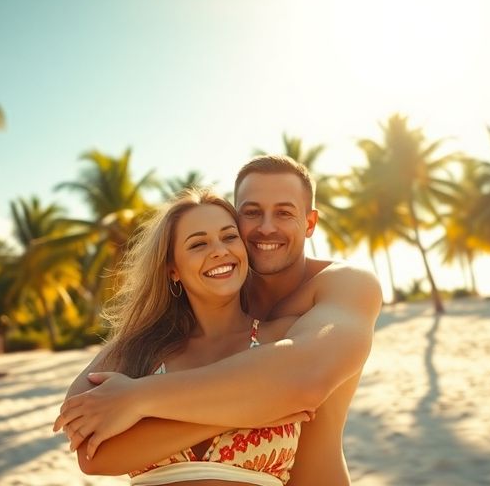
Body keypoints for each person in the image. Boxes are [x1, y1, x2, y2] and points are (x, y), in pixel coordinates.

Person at [55, 155, 383, 485]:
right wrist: (259, 406)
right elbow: (87, 436)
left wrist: (136, 398)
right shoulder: (174, 323)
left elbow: (304, 380)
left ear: (309, 223)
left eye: (284, 212)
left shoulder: (343, 285)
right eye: (252, 212)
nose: (266, 226)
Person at [61, 187, 310, 485]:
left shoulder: (284, 334)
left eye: (230, 237)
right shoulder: (141, 349)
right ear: (172, 270)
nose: (219, 251)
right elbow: (91, 455)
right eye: (198, 244)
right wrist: (252, 411)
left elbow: (304, 395)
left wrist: (139, 403)